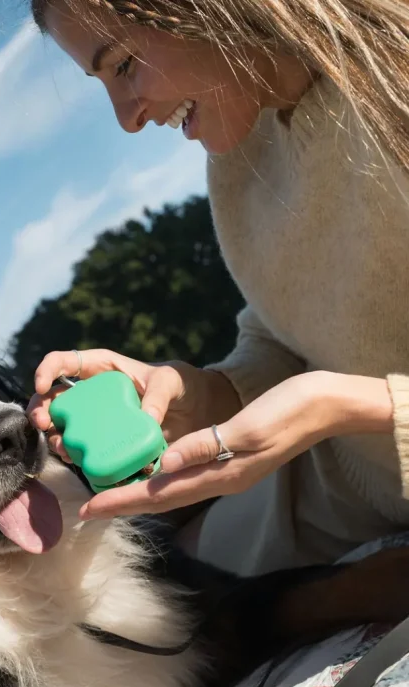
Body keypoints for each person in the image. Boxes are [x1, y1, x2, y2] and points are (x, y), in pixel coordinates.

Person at [26, 0, 409, 576]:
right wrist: (194, 395)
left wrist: (339, 406)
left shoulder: (392, 86)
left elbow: (328, 394)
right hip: (349, 478)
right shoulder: (240, 157)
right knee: (166, 584)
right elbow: (287, 331)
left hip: (360, 453)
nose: (126, 118)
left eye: (125, 65)